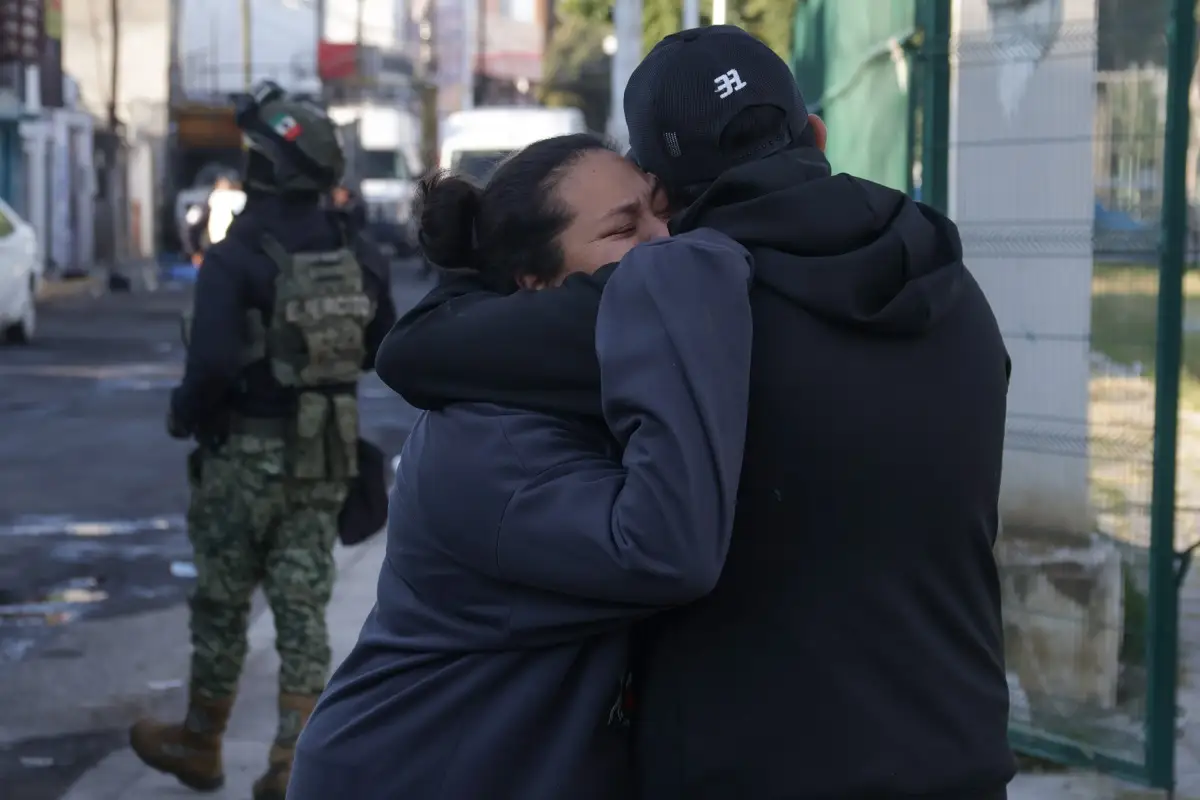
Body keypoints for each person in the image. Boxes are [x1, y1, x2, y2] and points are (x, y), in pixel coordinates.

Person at [377, 25, 1015, 800]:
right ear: (816, 132)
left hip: (749, 769)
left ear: (664, 194)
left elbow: (421, 351)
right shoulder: (954, 291)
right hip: (957, 755)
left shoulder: (684, 309)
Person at [288, 133, 755, 799]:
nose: (667, 241)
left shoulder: (572, 395)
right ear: (537, 285)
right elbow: (662, 548)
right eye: (626, 228)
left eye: (662, 213)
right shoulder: (490, 445)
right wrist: (703, 271)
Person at [129, 80, 398, 800]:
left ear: (268, 169)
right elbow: (381, 347)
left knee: (221, 601)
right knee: (303, 605)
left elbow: (211, 363)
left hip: (243, 455)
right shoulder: (358, 250)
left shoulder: (239, 254)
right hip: (324, 454)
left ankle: (201, 743)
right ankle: (290, 762)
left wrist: (185, 415)